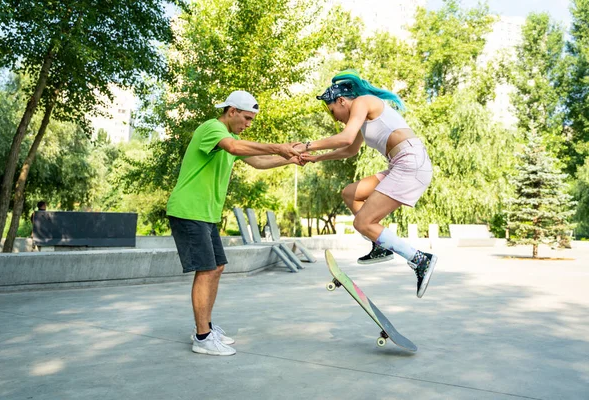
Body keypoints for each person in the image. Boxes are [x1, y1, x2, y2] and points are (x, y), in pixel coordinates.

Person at [167, 90, 302, 356]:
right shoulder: (212, 128)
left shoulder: (233, 137)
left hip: (205, 213)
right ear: (231, 111)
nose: (248, 124)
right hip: (188, 210)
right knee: (205, 270)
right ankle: (202, 337)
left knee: (216, 267)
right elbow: (233, 147)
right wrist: (279, 146)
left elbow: (259, 161)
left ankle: (205, 327)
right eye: (247, 118)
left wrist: (291, 158)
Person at [295, 70, 437, 299]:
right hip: (400, 164)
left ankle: (420, 259)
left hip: (410, 164)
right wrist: (316, 158)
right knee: (351, 193)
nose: (336, 119)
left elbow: (345, 137)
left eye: (333, 112)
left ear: (341, 100)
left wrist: (307, 146)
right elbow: (350, 149)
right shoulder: (361, 118)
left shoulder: (363, 102)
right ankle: (379, 244)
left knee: (363, 222)